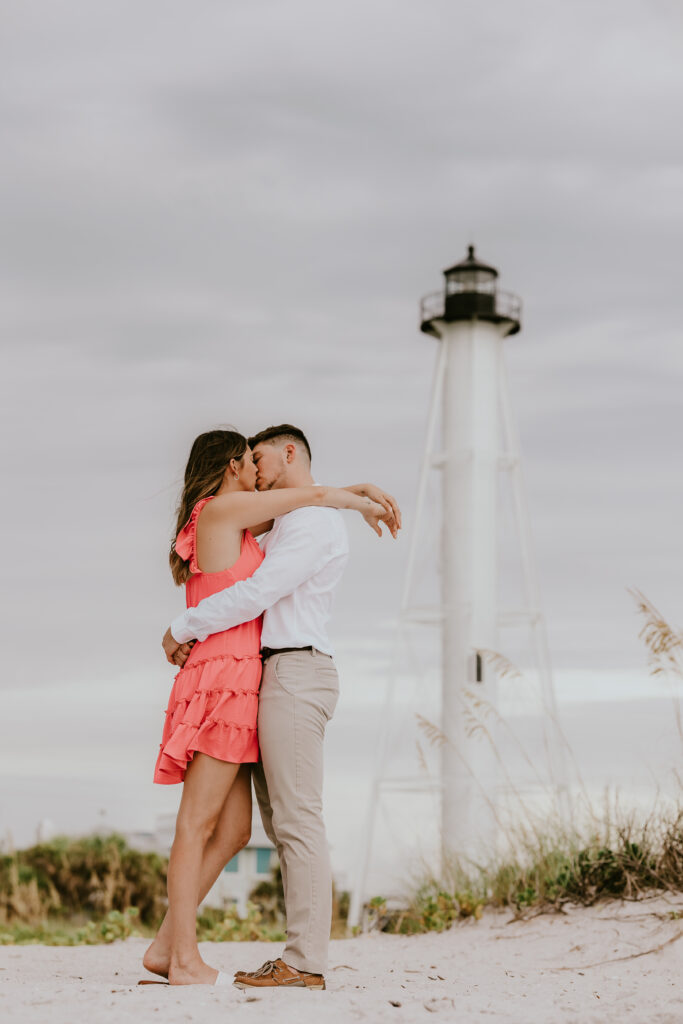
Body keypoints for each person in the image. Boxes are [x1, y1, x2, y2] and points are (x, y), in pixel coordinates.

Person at [143, 427, 397, 987]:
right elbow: (304, 499)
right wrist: (356, 498)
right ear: (235, 464)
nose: (259, 470)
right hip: (227, 677)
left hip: (253, 675)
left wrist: (353, 493)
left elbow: (304, 498)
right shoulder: (224, 509)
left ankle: (168, 942)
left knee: (236, 829)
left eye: (265, 458)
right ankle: (182, 954)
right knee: (203, 823)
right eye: (251, 460)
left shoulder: (253, 516)